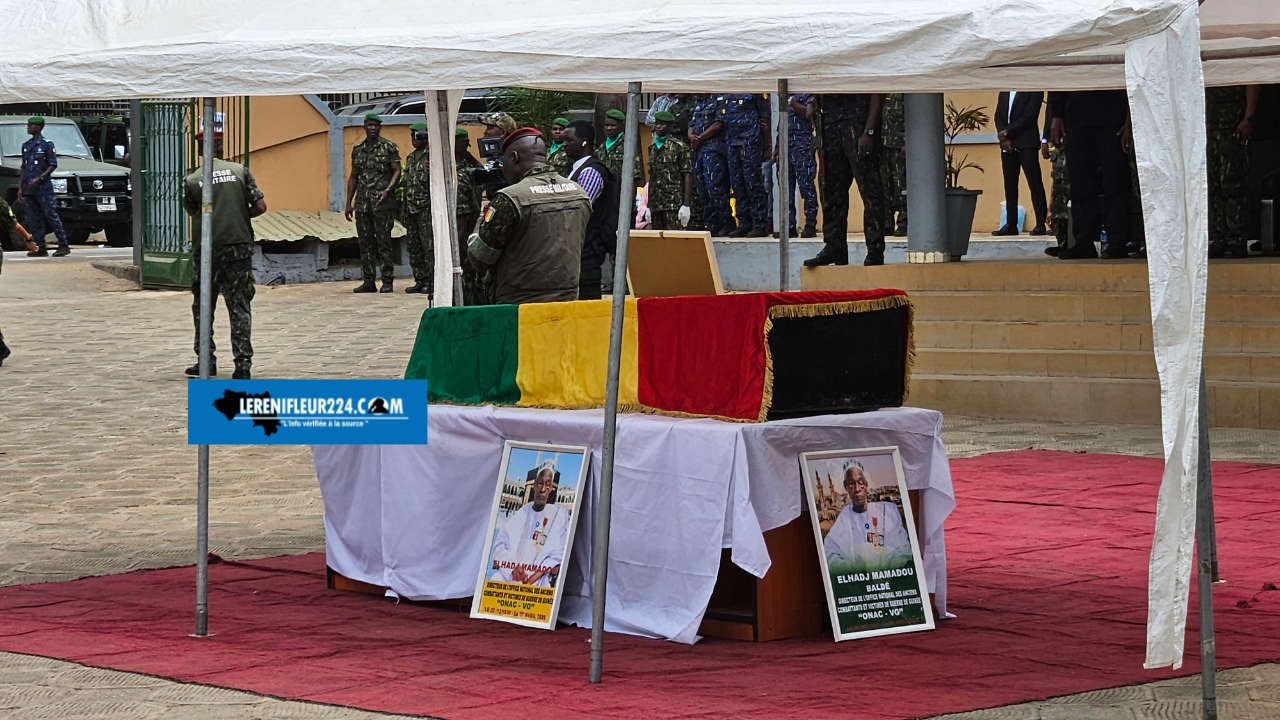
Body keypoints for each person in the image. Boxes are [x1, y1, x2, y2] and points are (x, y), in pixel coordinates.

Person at [467, 127, 591, 305]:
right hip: (567, 299)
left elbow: (480, 259)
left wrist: (477, 229)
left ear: (514, 157)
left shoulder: (511, 198)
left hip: (519, 303)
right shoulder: (579, 193)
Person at [182, 130, 267, 380]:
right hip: (238, 245)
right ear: (220, 147)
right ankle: (243, 364)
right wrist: (239, 214)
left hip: (208, 248)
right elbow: (260, 206)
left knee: (203, 305)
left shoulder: (192, 179)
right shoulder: (240, 171)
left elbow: (192, 210)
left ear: (200, 150)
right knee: (239, 304)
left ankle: (205, 360)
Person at [805, 94, 888, 267]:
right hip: (829, 120)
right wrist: (812, 100)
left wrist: (869, 130)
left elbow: (877, 91)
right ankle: (834, 247)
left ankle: (874, 249)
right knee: (830, 190)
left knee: (870, 190)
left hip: (858, 120)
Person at [1049, 91, 1132, 259]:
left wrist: (1129, 120)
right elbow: (1059, 80)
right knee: (1080, 184)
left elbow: (1130, 82)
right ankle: (1083, 242)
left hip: (1113, 120)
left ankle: (1117, 242)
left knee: (1115, 183)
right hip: (1076, 120)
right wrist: (1056, 115)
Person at [345, 113, 401, 292]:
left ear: (380, 127)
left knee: (384, 242)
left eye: (376, 125)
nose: (373, 128)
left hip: (381, 202)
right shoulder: (358, 149)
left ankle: (387, 280)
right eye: (370, 125)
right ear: (364, 126)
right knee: (365, 243)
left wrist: (388, 190)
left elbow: (397, 171)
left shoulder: (388, 147)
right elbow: (353, 177)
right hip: (362, 203)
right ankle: (368, 280)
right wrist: (348, 202)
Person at [563, 120, 618, 301]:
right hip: (578, 246)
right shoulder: (577, 169)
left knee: (587, 296)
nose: (564, 144)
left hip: (588, 246)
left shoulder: (591, 172)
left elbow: (579, 208)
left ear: (585, 142)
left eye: (569, 140)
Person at [489, 467, 571, 587]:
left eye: (547, 485)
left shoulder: (557, 515)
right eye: (540, 484)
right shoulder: (522, 513)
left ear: (550, 489)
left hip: (537, 580)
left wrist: (530, 581)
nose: (543, 489)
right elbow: (499, 545)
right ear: (534, 485)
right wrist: (512, 567)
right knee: (495, 581)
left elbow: (556, 556)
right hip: (511, 575)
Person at [823, 466, 913, 575]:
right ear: (846, 487)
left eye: (860, 483)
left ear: (866, 485)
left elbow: (902, 549)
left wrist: (890, 571)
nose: (857, 489)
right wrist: (854, 569)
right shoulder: (844, 518)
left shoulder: (887, 511)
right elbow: (831, 555)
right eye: (851, 484)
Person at [1206, 85, 1259, 259]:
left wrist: (1248, 117)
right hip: (1209, 125)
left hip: (1233, 125)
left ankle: (1237, 239)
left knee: (1232, 183)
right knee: (1213, 184)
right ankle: (1218, 238)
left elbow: (1252, 82)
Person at [993, 91, 1049, 237]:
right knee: (1010, 184)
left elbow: (1029, 116)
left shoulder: (1033, 90)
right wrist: (1003, 138)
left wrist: (1007, 132)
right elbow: (998, 116)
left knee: (1034, 183)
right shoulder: (1004, 91)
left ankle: (1040, 223)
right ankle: (1011, 224)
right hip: (1007, 145)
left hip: (1027, 143)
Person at [20, 116, 70, 258]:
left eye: (30, 125)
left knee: (51, 215)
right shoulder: (26, 145)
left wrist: (40, 178)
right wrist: (20, 187)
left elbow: (53, 164)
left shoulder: (47, 144)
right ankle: (40, 247)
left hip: (43, 188)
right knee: (34, 218)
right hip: (29, 188)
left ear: (37, 127)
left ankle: (63, 245)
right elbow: (23, 167)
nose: (28, 128)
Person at [723, 94, 770, 237]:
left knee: (753, 183)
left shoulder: (754, 91)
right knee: (737, 184)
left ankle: (760, 223)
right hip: (732, 143)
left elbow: (765, 118)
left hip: (750, 142)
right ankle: (744, 223)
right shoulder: (727, 93)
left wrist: (766, 145)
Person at [690, 94, 733, 236]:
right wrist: (691, 136)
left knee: (715, 187)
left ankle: (726, 222)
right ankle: (711, 223)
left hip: (713, 150)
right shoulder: (699, 102)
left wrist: (700, 138)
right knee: (702, 189)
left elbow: (719, 124)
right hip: (698, 151)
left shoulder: (719, 100)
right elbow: (691, 125)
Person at [454, 127, 488, 306]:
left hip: (463, 242)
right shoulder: (473, 171)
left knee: (466, 290)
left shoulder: (459, 176)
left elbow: (461, 222)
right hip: (473, 240)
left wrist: (457, 256)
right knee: (474, 285)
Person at [645, 111, 692, 231]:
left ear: (670, 126)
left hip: (673, 203)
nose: (658, 126)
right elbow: (652, 177)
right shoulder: (652, 149)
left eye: (662, 124)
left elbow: (687, 174)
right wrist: (648, 205)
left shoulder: (679, 147)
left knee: (675, 238)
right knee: (658, 240)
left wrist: (686, 204)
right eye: (656, 123)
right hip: (656, 203)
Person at [400, 123, 433, 296]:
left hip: (426, 207)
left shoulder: (431, 156)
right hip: (412, 208)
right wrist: (403, 209)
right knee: (414, 246)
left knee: (428, 246)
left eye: (417, 135)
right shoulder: (411, 158)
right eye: (412, 136)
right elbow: (408, 186)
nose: (414, 139)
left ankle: (431, 280)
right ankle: (420, 279)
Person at [786, 93, 819, 238]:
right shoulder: (783, 97)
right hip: (785, 147)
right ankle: (789, 226)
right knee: (786, 190)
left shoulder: (807, 94)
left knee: (806, 187)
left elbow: (809, 113)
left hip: (802, 146)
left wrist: (791, 102)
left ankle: (810, 224)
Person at [597, 108, 645, 195]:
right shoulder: (602, 147)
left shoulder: (627, 147)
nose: (609, 128)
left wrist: (630, 199)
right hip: (604, 195)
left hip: (621, 194)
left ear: (621, 126)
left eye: (613, 125)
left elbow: (635, 177)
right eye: (606, 125)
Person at [880, 94, 908, 237]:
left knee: (901, 184)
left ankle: (904, 222)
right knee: (884, 184)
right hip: (882, 144)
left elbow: (911, 118)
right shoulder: (880, 92)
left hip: (899, 145)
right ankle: (886, 222)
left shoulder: (905, 93)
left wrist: (906, 141)